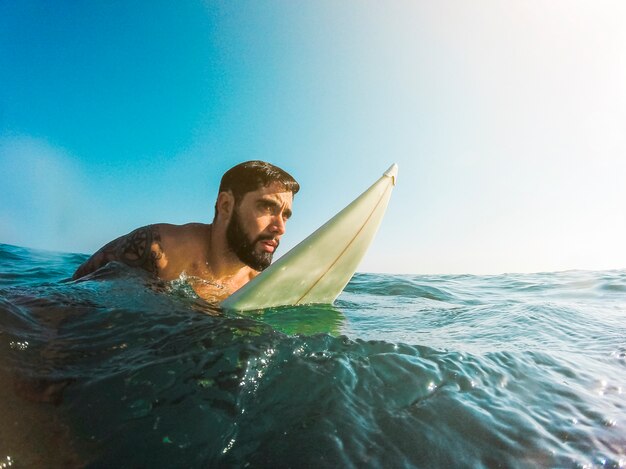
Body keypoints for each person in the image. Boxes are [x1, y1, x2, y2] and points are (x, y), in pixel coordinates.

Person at [72, 161, 299, 300]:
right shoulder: (159, 249)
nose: (280, 228)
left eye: (285, 216)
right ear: (226, 205)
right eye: (267, 207)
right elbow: (71, 293)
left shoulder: (259, 285)